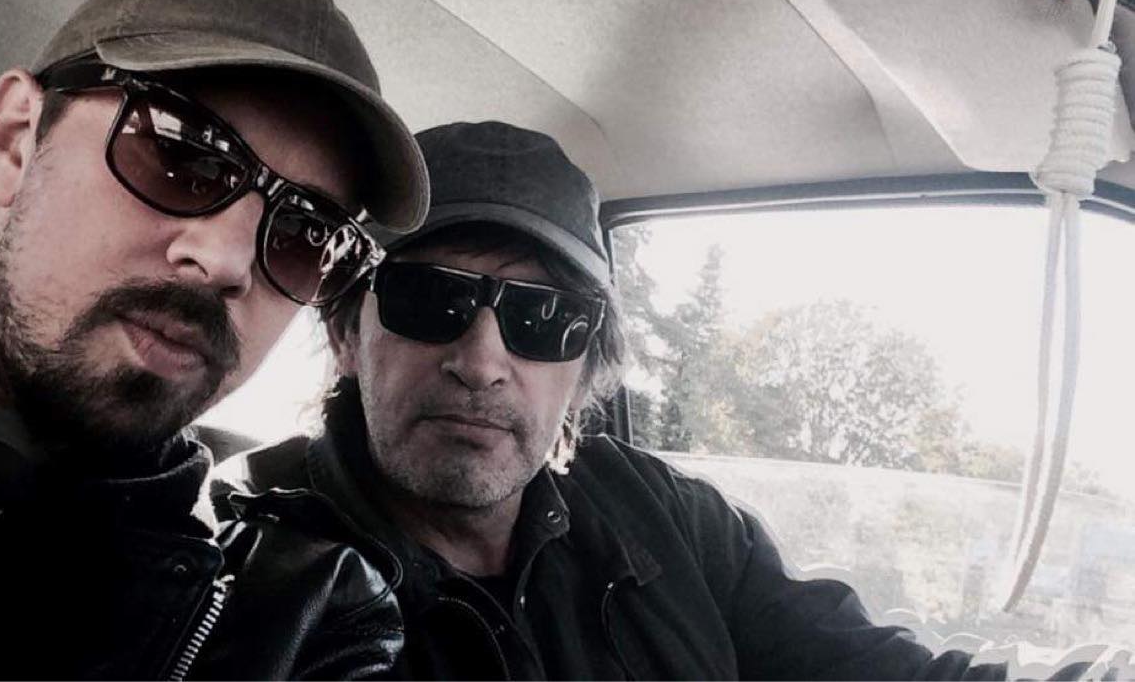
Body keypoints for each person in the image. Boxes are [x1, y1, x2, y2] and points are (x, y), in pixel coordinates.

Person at [216, 120, 1135, 680]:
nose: (482, 360)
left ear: (587, 368)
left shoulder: (663, 518)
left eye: (545, 320)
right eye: (431, 300)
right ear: (347, 332)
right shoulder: (247, 575)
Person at [0, 0, 429, 679]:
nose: (229, 262)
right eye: (180, 153)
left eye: (307, 235)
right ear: (14, 141)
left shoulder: (300, 619)